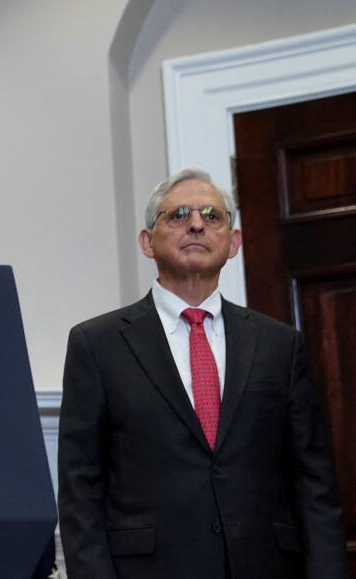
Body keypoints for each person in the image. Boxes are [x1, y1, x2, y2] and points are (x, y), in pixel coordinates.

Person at [57, 167, 347, 578]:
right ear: (147, 242)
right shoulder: (97, 344)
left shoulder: (279, 345)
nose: (196, 224)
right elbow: (80, 491)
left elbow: (315, 484)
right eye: (177, 216)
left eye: (213, 216)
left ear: (233, 242)